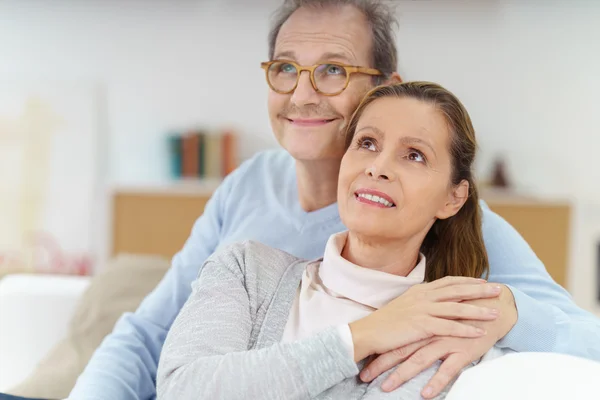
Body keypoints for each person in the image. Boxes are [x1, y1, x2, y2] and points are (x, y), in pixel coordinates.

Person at [60, 1, 600, 399]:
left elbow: (583, 338)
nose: (302, 93)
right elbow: (152, 334)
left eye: (334, 70)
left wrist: (510, 311)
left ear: (386, 88)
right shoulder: (249, 192)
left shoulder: (454, 223)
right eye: (286, 68)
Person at [156, 81, 511, 399]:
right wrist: (361, 336)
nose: (377, 167)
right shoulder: (245, 271)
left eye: (414, 155)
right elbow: (181, 390)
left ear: (453, 198)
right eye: (367, 143)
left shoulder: (441, 338)